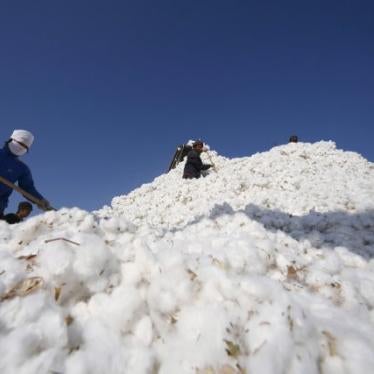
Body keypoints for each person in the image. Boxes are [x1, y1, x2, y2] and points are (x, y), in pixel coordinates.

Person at [0, 130, 50, 219]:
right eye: (20, 143)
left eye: (25, 147)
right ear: (11, 140)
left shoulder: (22, 168)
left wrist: (40, 200)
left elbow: (27, 188)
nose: (21, 147)